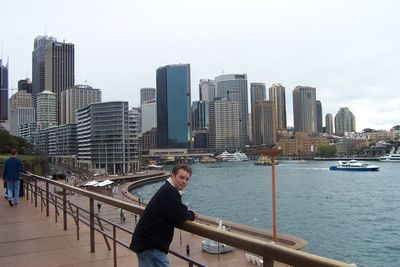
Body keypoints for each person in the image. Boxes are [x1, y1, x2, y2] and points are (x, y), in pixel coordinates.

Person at [130, 163, 197, 267]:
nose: (184, 182)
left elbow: (175, 210)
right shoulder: (169, 192)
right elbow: (180, 215)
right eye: (181, 177)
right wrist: (192, 214)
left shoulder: (168, 189)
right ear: (173, 176)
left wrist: (184, 211)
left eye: (187, 179)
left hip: (145, 242)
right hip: (151, 245)